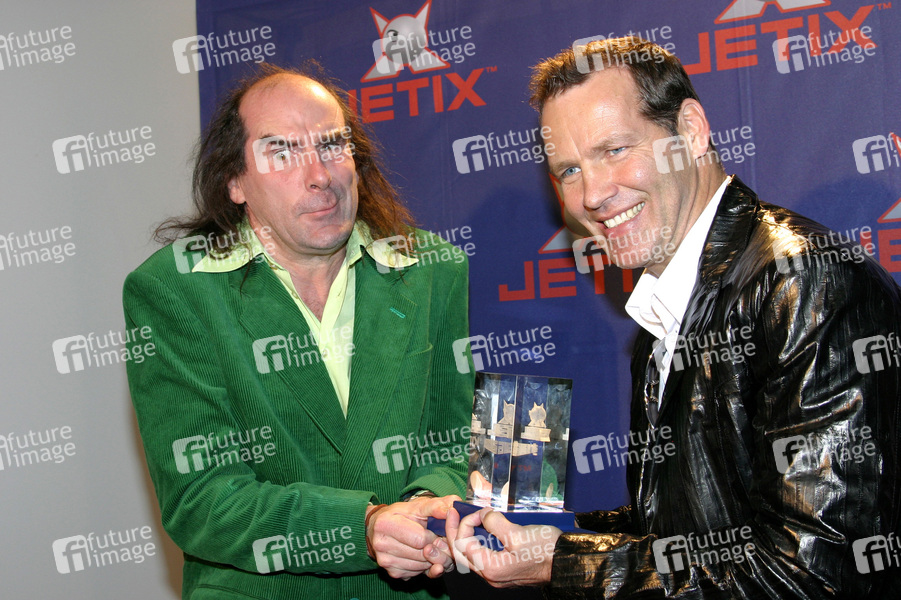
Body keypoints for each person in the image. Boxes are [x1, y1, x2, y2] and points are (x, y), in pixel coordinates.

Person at [445, 37, 901, 598]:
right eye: (568, 170)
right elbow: (686, 530)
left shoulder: (803, 282)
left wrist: (562, 564)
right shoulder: (665, 305)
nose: (593, 194)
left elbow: (813, 572)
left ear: (690, 130)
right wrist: (544, 538)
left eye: (614, 149)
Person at [123, 63, 472, 600]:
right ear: (235, 181)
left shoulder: (432, 270)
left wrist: (426, 505)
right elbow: (202, 499)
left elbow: (451, 445)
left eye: (332, 145)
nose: (319, 175)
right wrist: (362, 527)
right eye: (281, 152)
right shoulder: (175, 291)